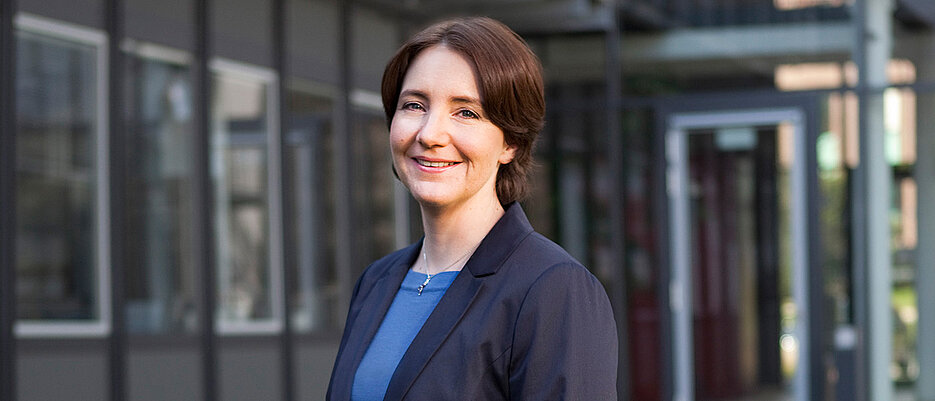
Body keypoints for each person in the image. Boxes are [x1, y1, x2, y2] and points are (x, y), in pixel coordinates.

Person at [326, 17, 618, 400]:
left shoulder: (553, 289)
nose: (430, 134)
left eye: (466, 112)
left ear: (511, 142)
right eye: (414, 105)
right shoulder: (376, 282)